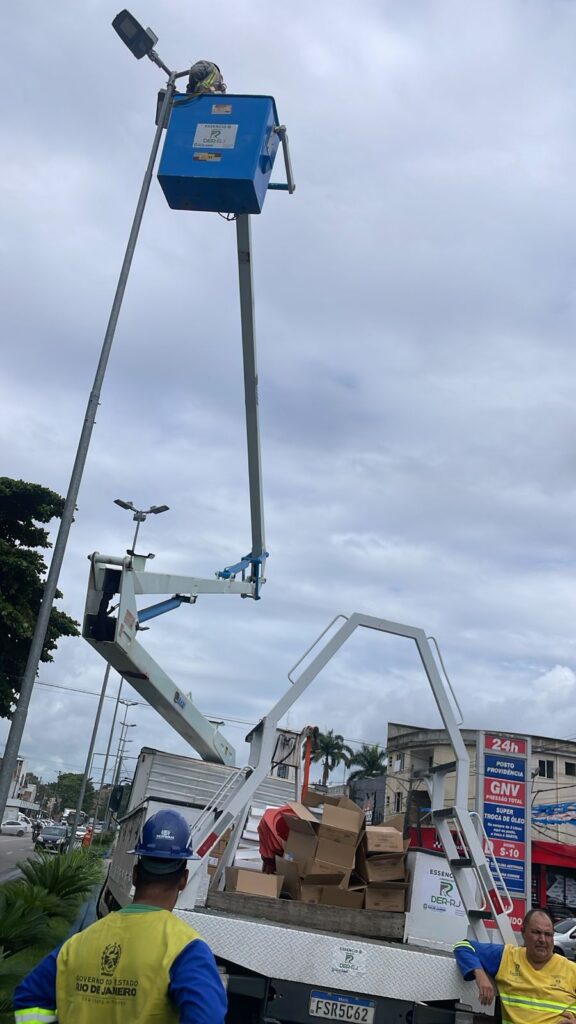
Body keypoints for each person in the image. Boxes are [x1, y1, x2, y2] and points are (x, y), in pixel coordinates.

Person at [14, 809, 227, 1024]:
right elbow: (207, 1017)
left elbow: (29, 998)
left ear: (135, 875)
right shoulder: (186, 949)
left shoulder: (78, 944)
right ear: (183, 879)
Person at [454, 909, 576, 1024]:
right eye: (536, 932)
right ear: (523, 932)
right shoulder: (507, 957)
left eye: (548, 934)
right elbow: (463, 946)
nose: (542, 939)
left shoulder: (571, 970)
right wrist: (480, 974)